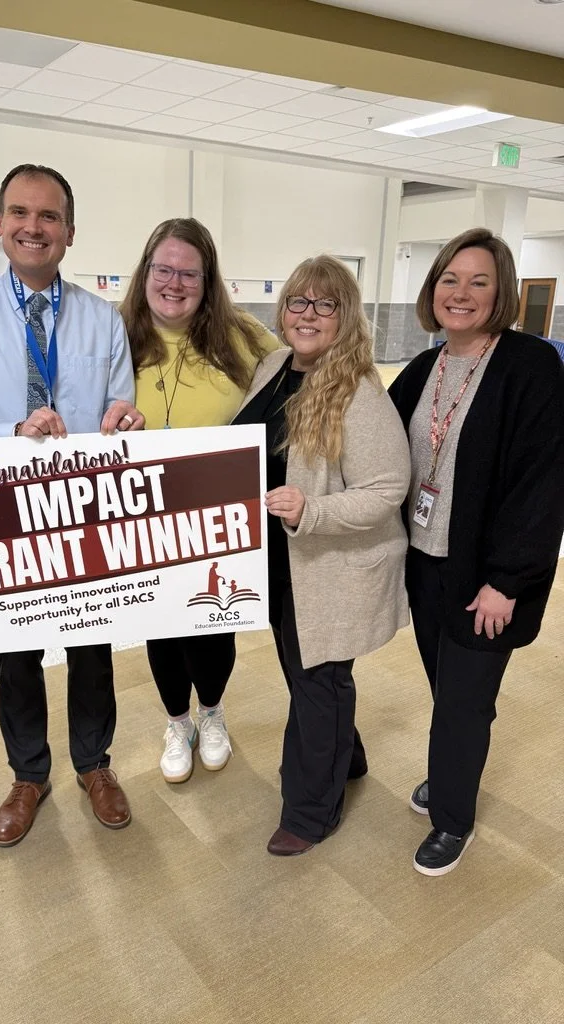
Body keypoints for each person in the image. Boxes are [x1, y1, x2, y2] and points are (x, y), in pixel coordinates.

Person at [0, 164, 144, 847]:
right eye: (20, 212)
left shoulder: (102, 321)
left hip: (81, 509)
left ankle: (94, 763)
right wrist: (10, 432)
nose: (33, 226)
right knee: (15, 649)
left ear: (69, 233)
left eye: (49, 217)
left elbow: (120, 404)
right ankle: (29, 773)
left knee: (91, 640)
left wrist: (123, 421)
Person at [388, 228, 564, 876]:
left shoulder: (530, 366)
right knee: (448, 689)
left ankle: (453, 820)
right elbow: (376, 446)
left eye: (478, 281)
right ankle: (450, 771)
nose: (460, 293)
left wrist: (508, 579)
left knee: (465, 699)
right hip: (425, 562)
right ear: (432, 289)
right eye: (449, 280)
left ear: (502, 292)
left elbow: (542, 481)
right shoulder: (423, 368)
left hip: (486, 577)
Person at [234, 255, 410, 856]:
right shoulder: (275, 365)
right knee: (308, 674)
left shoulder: (355, 390)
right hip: (282, 561)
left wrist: (313, 510)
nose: (307, 315)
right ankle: (347, 755)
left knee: (318, 680)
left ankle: (311, 813)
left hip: (329, 565)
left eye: (324, 304)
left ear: (345, 316)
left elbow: (388, 488)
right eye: (297, 302)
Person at [120, 217, 281, 784]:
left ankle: (212, 712)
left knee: (213, 623)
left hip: (219, 516)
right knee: (162, 625)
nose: (174, 282)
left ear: (208, 279)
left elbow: (306, 374)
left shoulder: (245, 337)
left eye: (190, 272)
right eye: (163, 268)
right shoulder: (115, 334)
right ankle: (176, 720)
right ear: (145, 272)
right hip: (142, 513)